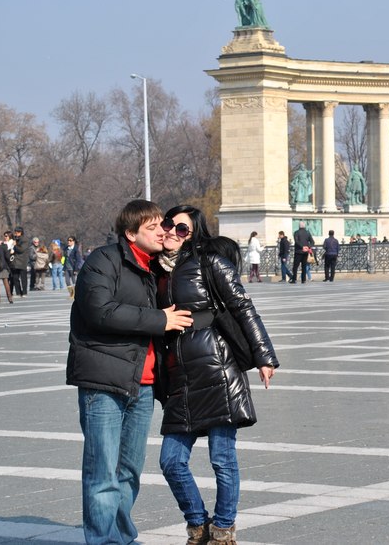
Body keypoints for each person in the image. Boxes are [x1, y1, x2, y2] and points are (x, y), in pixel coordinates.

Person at [66, 199, 193, 544]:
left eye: (162, 226)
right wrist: (160, 319)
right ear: (130, 233)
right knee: (103, 473)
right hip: (104, 382)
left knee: (129, 473)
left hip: (144, 384)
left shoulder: (155, 268)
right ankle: (105, 540)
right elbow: (100, 312)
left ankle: (120, 537)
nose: (161, 232)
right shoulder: (103, 261)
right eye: (152, 228)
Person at [155, 204, 278, 545]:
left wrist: (264, 357)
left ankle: (222, 530)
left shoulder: (209, 263)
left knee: (222, 459)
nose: (172, 232)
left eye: (182, 229)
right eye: (168, 224)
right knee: (171, 460)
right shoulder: (156, 270)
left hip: (217, 367)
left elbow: (242, 307)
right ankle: (197, 523)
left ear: (193, 234)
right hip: (180, 375)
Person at [0, 233, 13, 304]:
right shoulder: (3, 246)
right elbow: (8, 257)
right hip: (4, 267)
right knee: (6, 283)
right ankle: (10, 298)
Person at [10, 226, 28, 298]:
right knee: (15, 278)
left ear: (21, 232)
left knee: (23, 278)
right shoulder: (15, 239)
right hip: (15, 261)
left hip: (22, 261)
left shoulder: (24, 240)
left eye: (18, 232)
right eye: (16, 232)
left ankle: (24, 292)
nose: (16, 234)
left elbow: (21, 250)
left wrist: (15, 245)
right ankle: (18, 292)